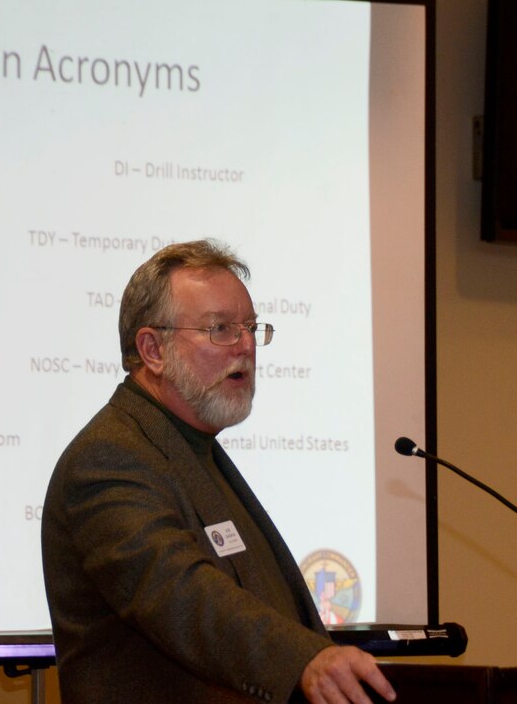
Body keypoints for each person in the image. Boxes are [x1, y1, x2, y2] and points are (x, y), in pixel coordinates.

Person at [41, 240, 396, 704]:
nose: (246, 345)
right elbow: (180, 593)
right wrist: (302, 660)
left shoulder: (195, 449)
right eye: (220, 329)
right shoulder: (109, 457)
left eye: (249, 327)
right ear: (153, 349)